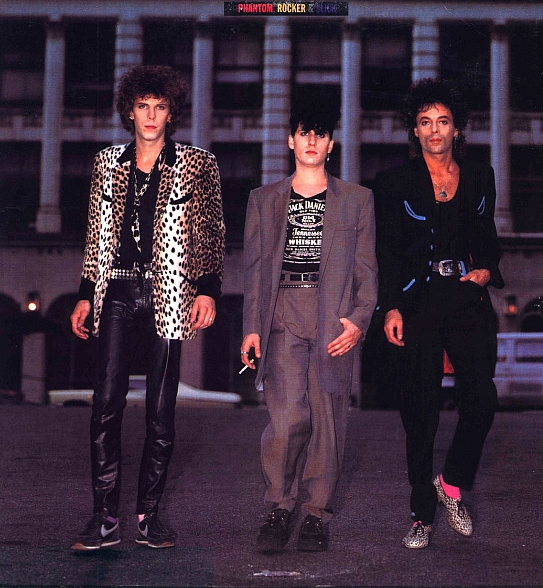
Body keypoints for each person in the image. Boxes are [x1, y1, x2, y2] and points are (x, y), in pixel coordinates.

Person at [69, 65, 225, 550]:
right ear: (130, 111)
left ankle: (148, 516)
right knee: (105, 403)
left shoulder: (198, 164)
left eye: (160, 107)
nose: (152, 115)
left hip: (170, 292)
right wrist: (84, 293)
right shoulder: (107, 162)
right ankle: (103, 517)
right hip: (115, 290)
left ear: (172, 113)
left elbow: (210, 233)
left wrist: (207, 290)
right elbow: (95, 234)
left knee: (160, 409)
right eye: (143, 106)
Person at [240, 96, 378, 552]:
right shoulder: (264, 200)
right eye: (304, 133)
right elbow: (254, 270)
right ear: (290, 141)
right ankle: (280, 505)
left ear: (331, 144)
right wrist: (252, 327)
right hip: (282, 313)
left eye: (320, 134)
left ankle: (316, 514)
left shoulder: (357, 200)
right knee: (287, 419)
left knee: (328, 421)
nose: (312, 141)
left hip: (332, 318)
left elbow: (367, 270)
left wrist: (358, 321)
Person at [374, 78, 503, 549]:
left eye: (443, 121)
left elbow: (487, 235)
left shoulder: (481, 175)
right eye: (425, 122)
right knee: (420, 411)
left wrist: (485, 271)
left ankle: (450, 483)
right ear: (414, 129)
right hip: (417, 301)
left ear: (457, 128)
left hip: (466, 297)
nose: (434, 130)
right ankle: (421, 516)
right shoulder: (393, 182)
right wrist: (390, 305)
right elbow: (387, 251)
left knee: (482, 400)